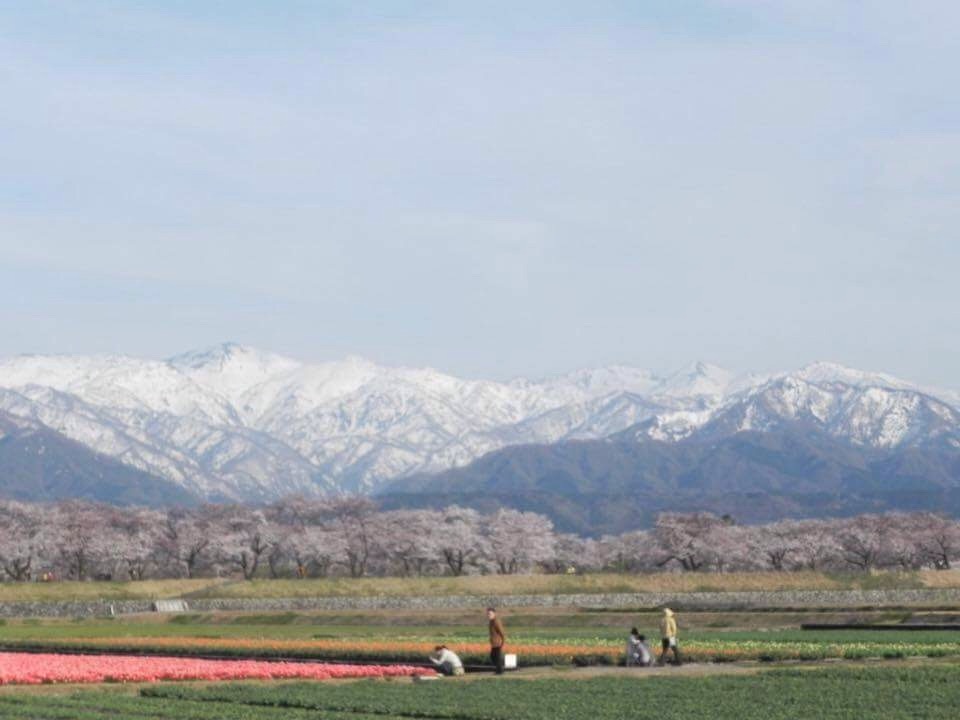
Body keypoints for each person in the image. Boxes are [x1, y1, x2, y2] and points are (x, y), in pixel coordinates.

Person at [487, 607, 507, 674]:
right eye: (488, 614)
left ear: (494, 614)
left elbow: (502, 632)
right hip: (494, 643)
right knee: (493, 657)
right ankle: (498, 670)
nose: (489, 615)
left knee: (496, 657)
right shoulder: (491, 621)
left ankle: (500, 671)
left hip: (498, 643)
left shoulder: (496, 621)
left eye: (490, 614)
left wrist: (503, 642)